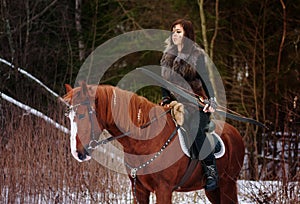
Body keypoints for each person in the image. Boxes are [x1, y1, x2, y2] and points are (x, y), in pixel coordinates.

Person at [160, 19, 218, 191]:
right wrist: (165, 98)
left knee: (194, 128)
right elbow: (163, 82)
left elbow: (206, 79)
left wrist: (211, 100)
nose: (174, 34)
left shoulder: (196, 55)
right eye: (173, 31)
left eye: (178, 31)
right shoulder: (166, 55)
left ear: (187, 34)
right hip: (173, 103)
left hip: (195, 103)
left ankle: (211, 170)